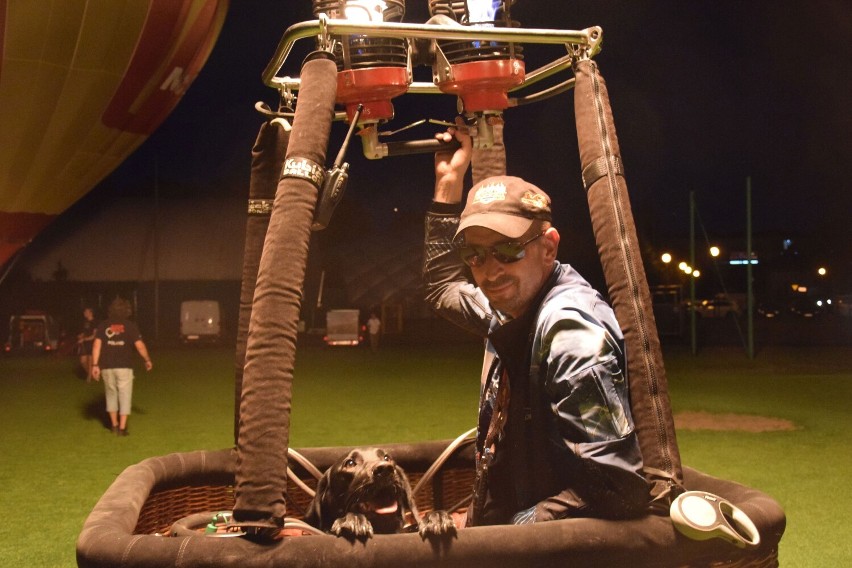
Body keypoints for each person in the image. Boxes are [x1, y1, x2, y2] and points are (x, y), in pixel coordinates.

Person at [423, 121, 650, 527]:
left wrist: (514, 534)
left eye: (507, 250)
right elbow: (442, 287)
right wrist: (447, 184)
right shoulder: (512, 304)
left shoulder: (571, 335)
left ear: (548, 248)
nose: (489, 271)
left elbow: (618, 485)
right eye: (474, 254)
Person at [91, 297, 153, 436]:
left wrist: (95, 364)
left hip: (107, 366)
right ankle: (123, 428)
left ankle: (114, 425)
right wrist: (147, 359)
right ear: (126, 311)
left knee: (111, 395)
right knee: (125, 395)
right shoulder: (130, 326)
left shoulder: (103, 325)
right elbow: (140, 345)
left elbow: (96, 345)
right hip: (124, 366)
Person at [76, 307, 97, 381]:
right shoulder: (85, 322)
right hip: (84, 344)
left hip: (92, 343)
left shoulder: (95, 322)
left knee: (90, 360)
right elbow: (83, 332)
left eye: (86, 312)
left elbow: (94, 335)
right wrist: (80, 336)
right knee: (83, 361)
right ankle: (91, 374)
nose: (84, 313)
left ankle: (89, 377)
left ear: (91, 313)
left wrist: (84, 339)